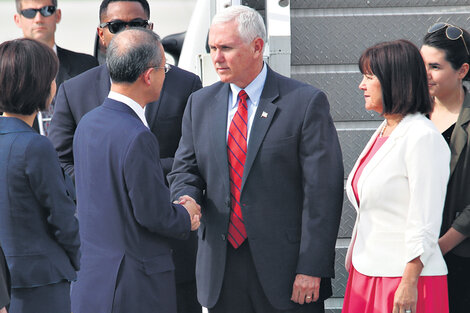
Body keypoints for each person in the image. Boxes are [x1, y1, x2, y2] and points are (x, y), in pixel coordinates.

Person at [168, 5, 344, 313]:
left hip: (288, 271)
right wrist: (186, 199)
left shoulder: (304, 103)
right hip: (221, 269)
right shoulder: (200, 103)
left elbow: (322, 193)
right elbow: (186, 169)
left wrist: (312, 267)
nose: (216, 57)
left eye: (226, 48)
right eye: (212, 48)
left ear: (257, 47)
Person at [48, 1, 202, 311]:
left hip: (98, 281)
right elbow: (152, 213)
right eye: (116, 26)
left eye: (137, 24)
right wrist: (187, 215)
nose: (127, 32)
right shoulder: (137, 136)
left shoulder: (91, 121)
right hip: (137, 283)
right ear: (149, 76)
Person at [342, 39, 450, 313]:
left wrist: (409, 281)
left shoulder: (422, 137)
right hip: (368, 271)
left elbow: (425, 217)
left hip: (403, 281)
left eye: (368, 77)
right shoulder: (385, 130)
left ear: (394, 81)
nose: (361, 86)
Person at [0, 38, 80, 313]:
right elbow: (62, 219)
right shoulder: (35, 145)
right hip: (40, 284)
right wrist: (79, 259)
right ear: (40, 85)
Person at [421, 22, 470, 313]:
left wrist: (439, 248)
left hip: (460, 257)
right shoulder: (411, 112)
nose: (425, 74)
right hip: (416, 254)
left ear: (462, 70)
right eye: (422, 64)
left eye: (435, 67)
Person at [14, 0, 98, 135]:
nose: (38, 19)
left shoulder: (86, 66)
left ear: (58, 15)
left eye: (47, 10)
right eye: (30, 12)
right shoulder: (6, 70)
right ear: (17, 19)